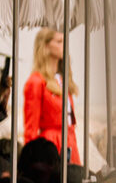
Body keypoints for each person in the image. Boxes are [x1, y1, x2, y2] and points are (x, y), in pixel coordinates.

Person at [24, 29, 80, 165]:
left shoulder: (62, 79)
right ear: (46, 46)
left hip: (70, 142)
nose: (64, 46)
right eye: (59, 42)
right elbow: (30, 129)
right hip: (51, 145)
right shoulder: (36, 81)